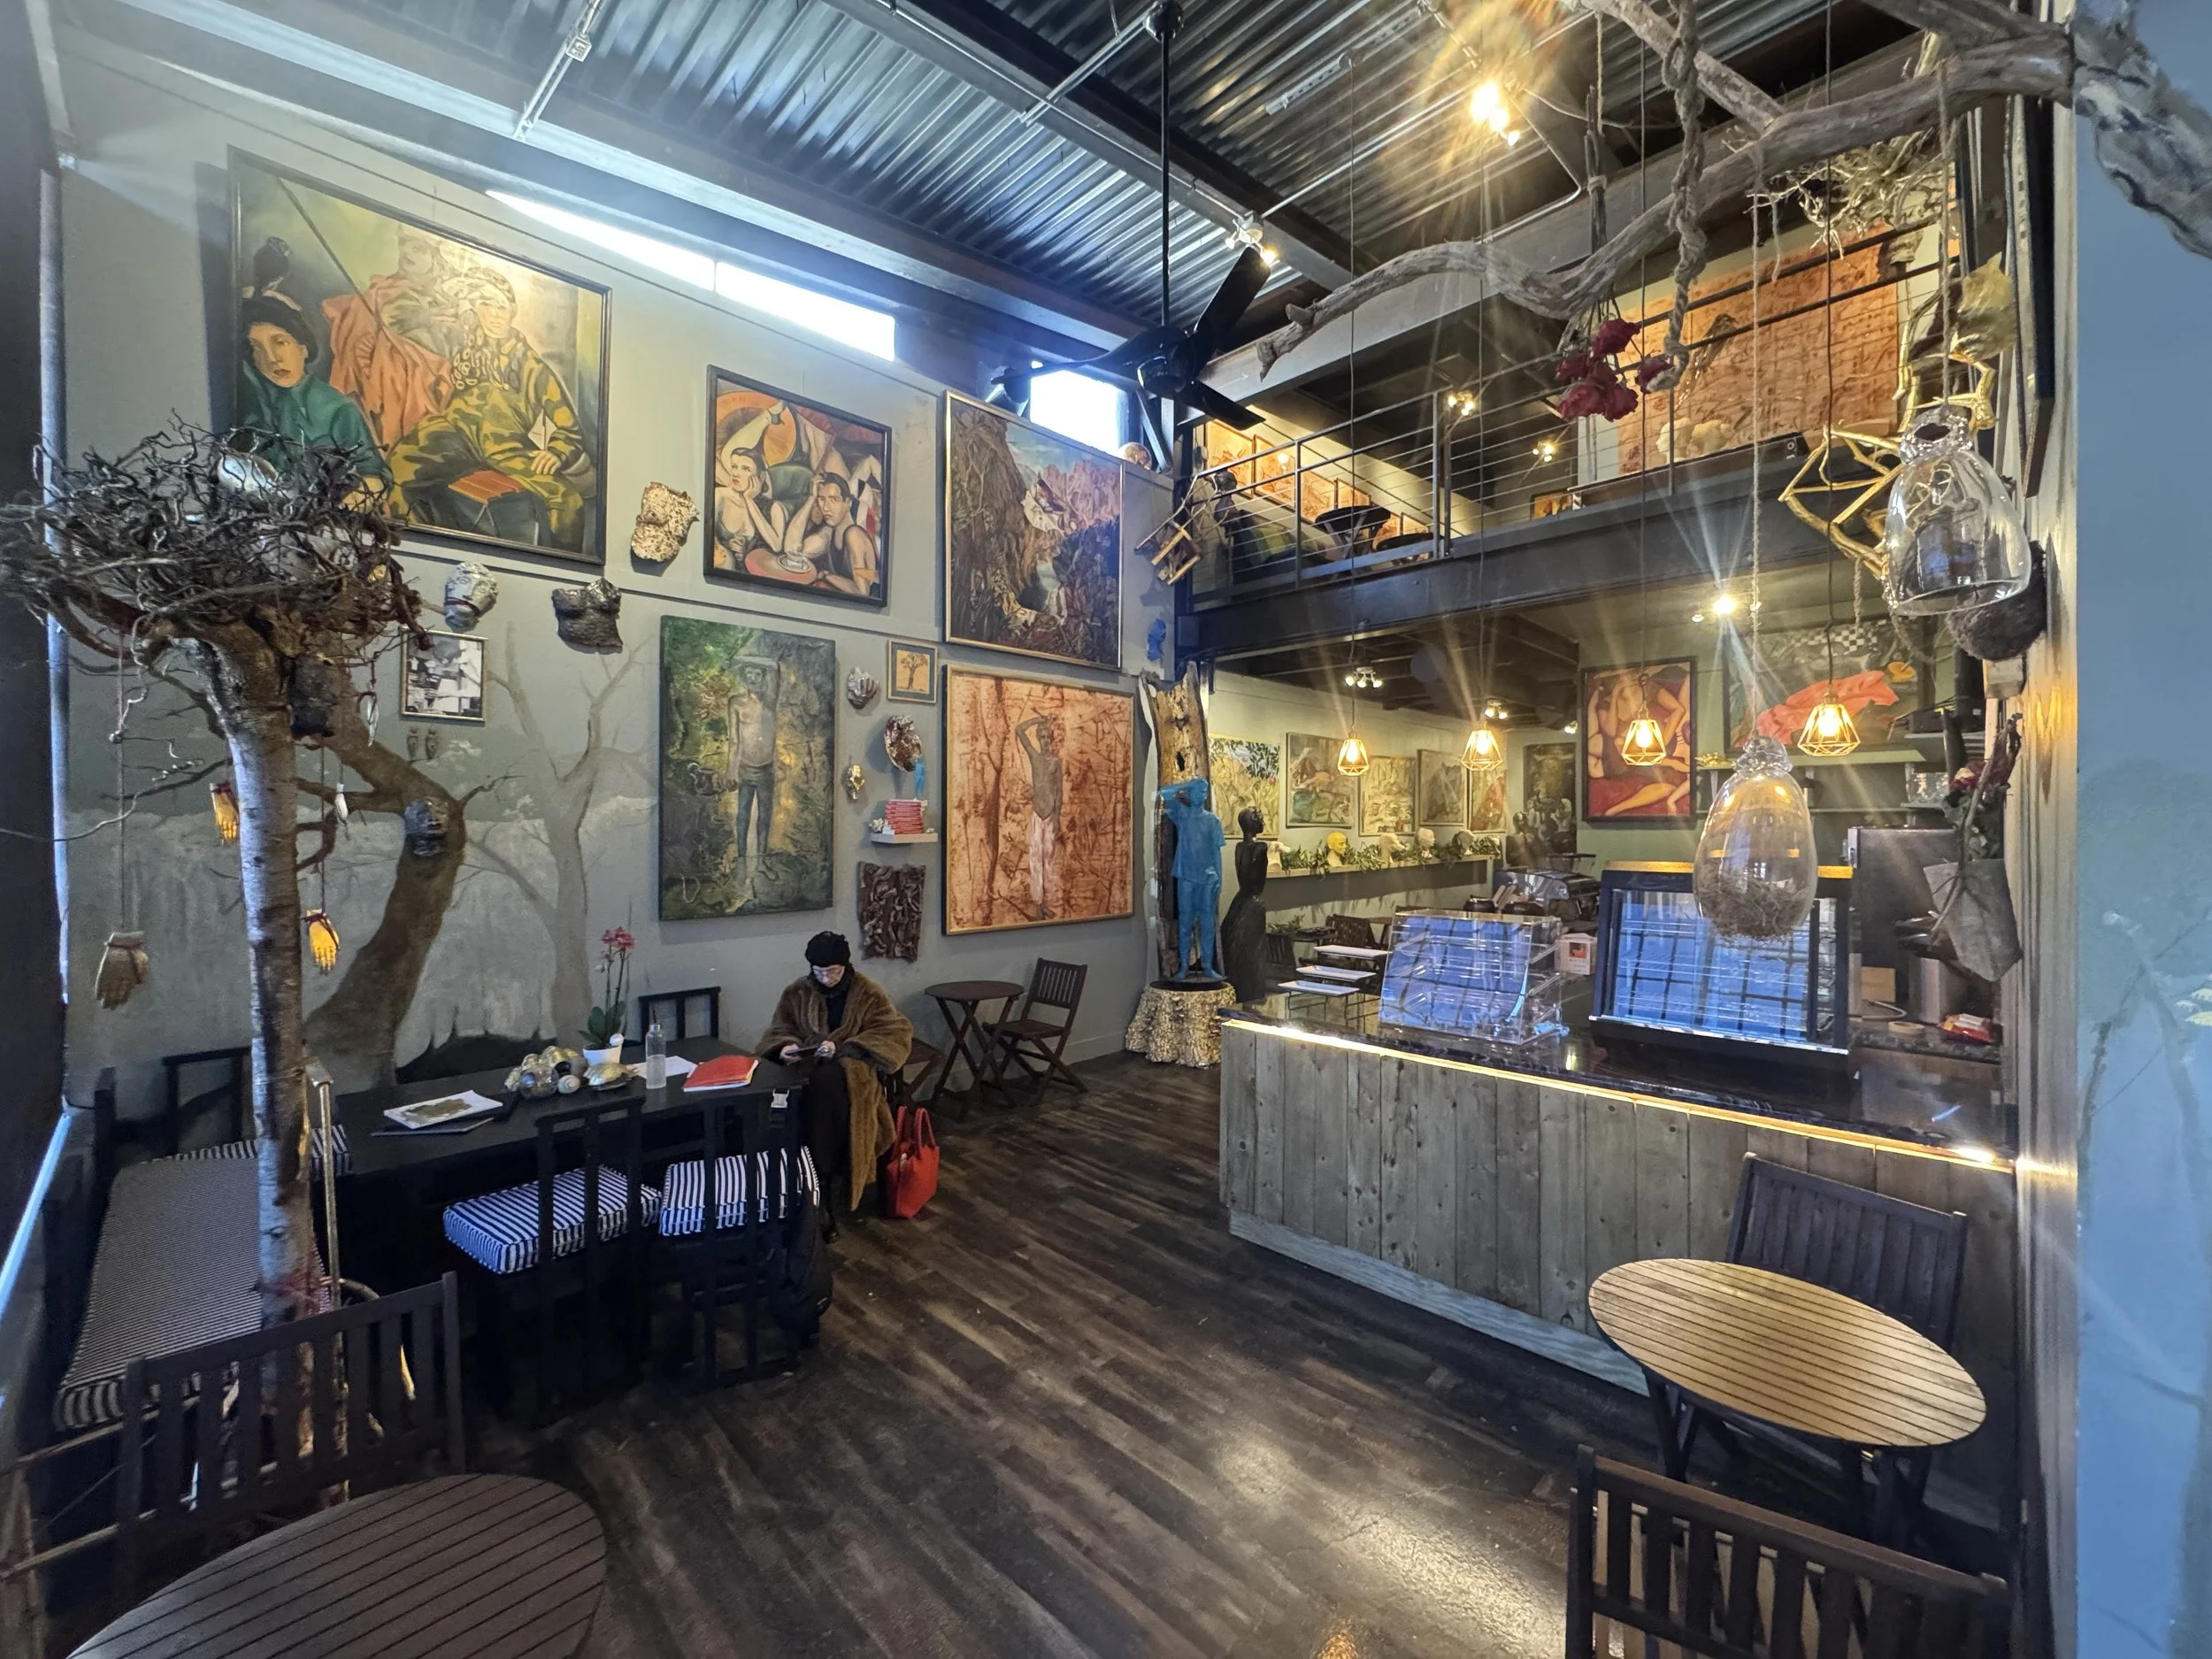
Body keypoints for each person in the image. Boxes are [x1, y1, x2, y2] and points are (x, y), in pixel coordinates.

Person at [385, 267, 595, 546]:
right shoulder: (466, 347)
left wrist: (557, 452)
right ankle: (413, 543)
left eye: (501, 307)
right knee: (398, 465)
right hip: (453, 435)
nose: (494, 315)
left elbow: (570, 431)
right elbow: (397, 316)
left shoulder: (533, 369)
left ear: (512, 311)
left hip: (505, 450)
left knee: (567, 500)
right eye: (486, 305)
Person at [758, 933, 913, 1223]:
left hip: (853, 1072)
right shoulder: (798, 992)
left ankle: (822, 1181)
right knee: (800, 1090)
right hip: (806, 1068)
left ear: (845, 967)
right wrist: (786, 1047)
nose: (826, 978)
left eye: (833, 972)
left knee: (828, 1085)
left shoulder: (867, 992)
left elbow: (894, 1031)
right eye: (819, 972)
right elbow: (779, 1029)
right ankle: (800, 1178)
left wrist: (844, 1047)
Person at [234, 241, 389, 493]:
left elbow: (372, 475)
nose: (271, 358)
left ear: (303, 347)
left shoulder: (337, 408)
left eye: (280, 343)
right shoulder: (249, 393)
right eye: (256, 348)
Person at [724, 657, 780, 890]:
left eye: (757, 674)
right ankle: (741, 860)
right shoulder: (735, 703)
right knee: (743, 816)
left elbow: (775, 666)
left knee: (765, 816)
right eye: (749, 674)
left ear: (763, 676)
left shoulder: (770, 701)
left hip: (766, 768)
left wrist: (742, 659)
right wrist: (730, 770)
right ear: (743, 678)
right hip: (746, 767)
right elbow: (734, 740)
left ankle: (763, 861)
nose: (753, 679)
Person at [1017, 714, 1063, 921]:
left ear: (1051, 740)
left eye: (1047, 737)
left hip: (1050, 815)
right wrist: (1037, 719)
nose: (1045, 740)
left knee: (1048, 860)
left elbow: (1059, 792)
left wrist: (1058, 817)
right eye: (1041, 737)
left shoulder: (1056, 762)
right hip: (1037, 813)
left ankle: (1047, 903)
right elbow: (1019, 730)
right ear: (1038, 739)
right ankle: (1038, 904)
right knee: (1035, 858)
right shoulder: (1034, 757)